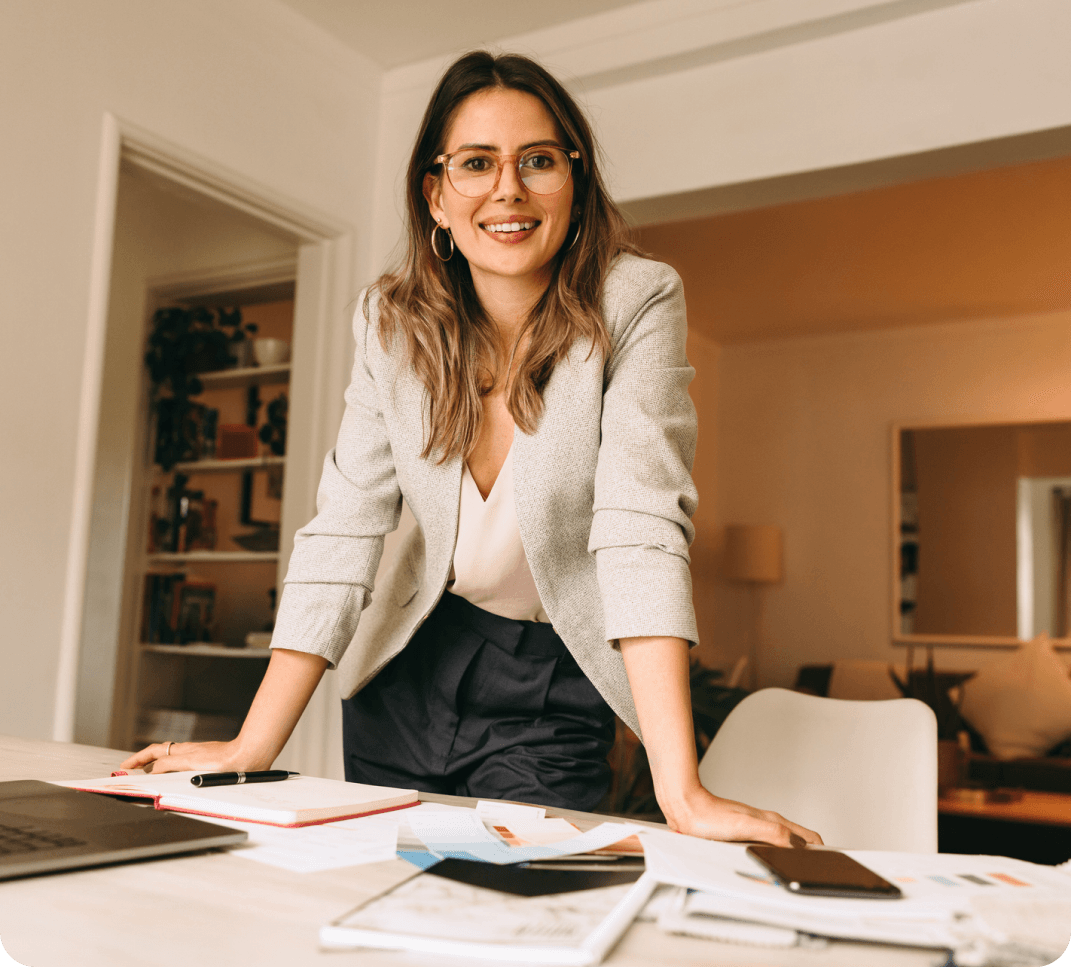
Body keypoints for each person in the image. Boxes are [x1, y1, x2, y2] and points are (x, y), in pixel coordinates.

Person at [124, 51, 821, 849]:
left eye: (537, 161)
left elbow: (640, 528)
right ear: (437, 194)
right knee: (392, 898)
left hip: (548, 680)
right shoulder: (390, 324)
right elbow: (345, 530)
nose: (508, 190)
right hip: (408, 666)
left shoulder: (635, 299)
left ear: (575, 179)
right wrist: (253, 745)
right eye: (475, 164)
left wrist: (681, 790)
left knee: (525, 903)